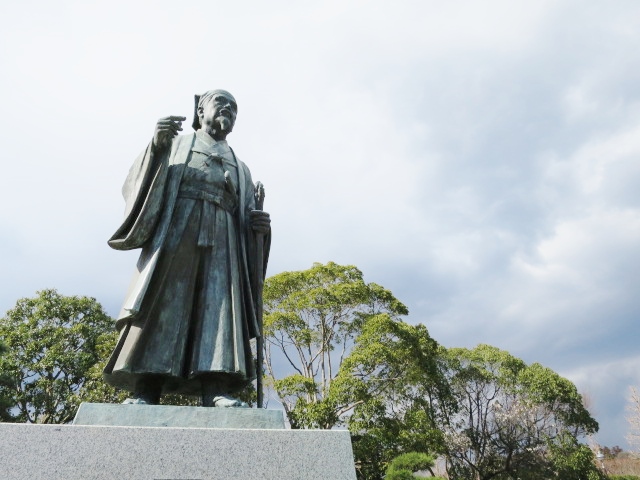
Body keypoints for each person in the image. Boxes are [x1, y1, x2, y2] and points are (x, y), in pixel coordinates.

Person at [103, 90, 271, 407]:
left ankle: (215, 387)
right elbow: (139, 186)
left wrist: (259, 227)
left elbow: (248, 219)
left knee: (220, 310)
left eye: (234, 108)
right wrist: (156, 145)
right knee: (164, 304)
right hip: (178, 231)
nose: (229, 110)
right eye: (221, 103)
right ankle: (147, 388)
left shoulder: (241, 168)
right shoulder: (176, 145)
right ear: (200, 109)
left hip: (224, 241)